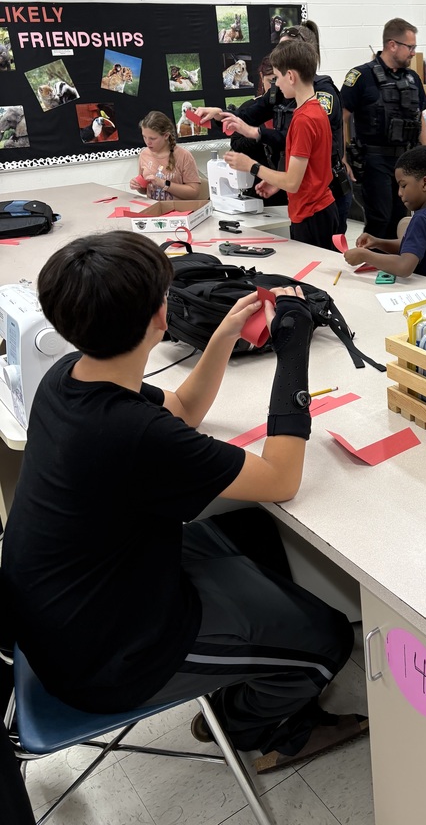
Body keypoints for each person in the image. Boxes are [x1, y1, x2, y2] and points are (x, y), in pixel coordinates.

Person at [2, 232, 365, 768]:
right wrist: (293, 355)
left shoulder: (68, 376)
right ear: (160, 315)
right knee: (328, 638)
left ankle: (241, 667)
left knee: (251, 532)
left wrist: (223, 335)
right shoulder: (134, 433)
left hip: (67, 612)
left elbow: (184, 410)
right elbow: (281, 478)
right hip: (110, 659)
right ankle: (258, 731)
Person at [240, 38, 338, 250]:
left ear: (291, 76)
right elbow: (304, 172)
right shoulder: (315, 110)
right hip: (317, 210)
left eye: (277, 77)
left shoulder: (304, 119)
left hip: (312, 214)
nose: (276, 85)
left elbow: (293, 182)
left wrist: (251, 166)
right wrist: (277, 182)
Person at [340, 17, 426, 239]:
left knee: (401, 218)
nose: (413, 53)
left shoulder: (412, 78)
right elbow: (341, 118)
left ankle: (395, 267)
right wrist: (342, 158)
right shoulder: (360, 76)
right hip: (374, 160)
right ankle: (371, 265)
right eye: (410, 47)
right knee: (379, 218)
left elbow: (419, 118)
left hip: (406, 160)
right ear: (392, 45)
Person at [343, 146, 426, 283]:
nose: (399, 193)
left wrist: (365, 255)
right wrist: (378, 242)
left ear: (425, 183)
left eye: (403, 185)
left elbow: (404, 266)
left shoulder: (421, 219)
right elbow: (413, 245)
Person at [129, 110, 201, 201]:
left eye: (152, 138)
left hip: (178, 211)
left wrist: (164, 184)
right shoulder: (144, 154)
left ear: (166, 135)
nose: (147, 142)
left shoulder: (183, 155)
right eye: (144, 137)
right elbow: (144, 190)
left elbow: (194, 193)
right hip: (155, 209)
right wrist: (138, 185)